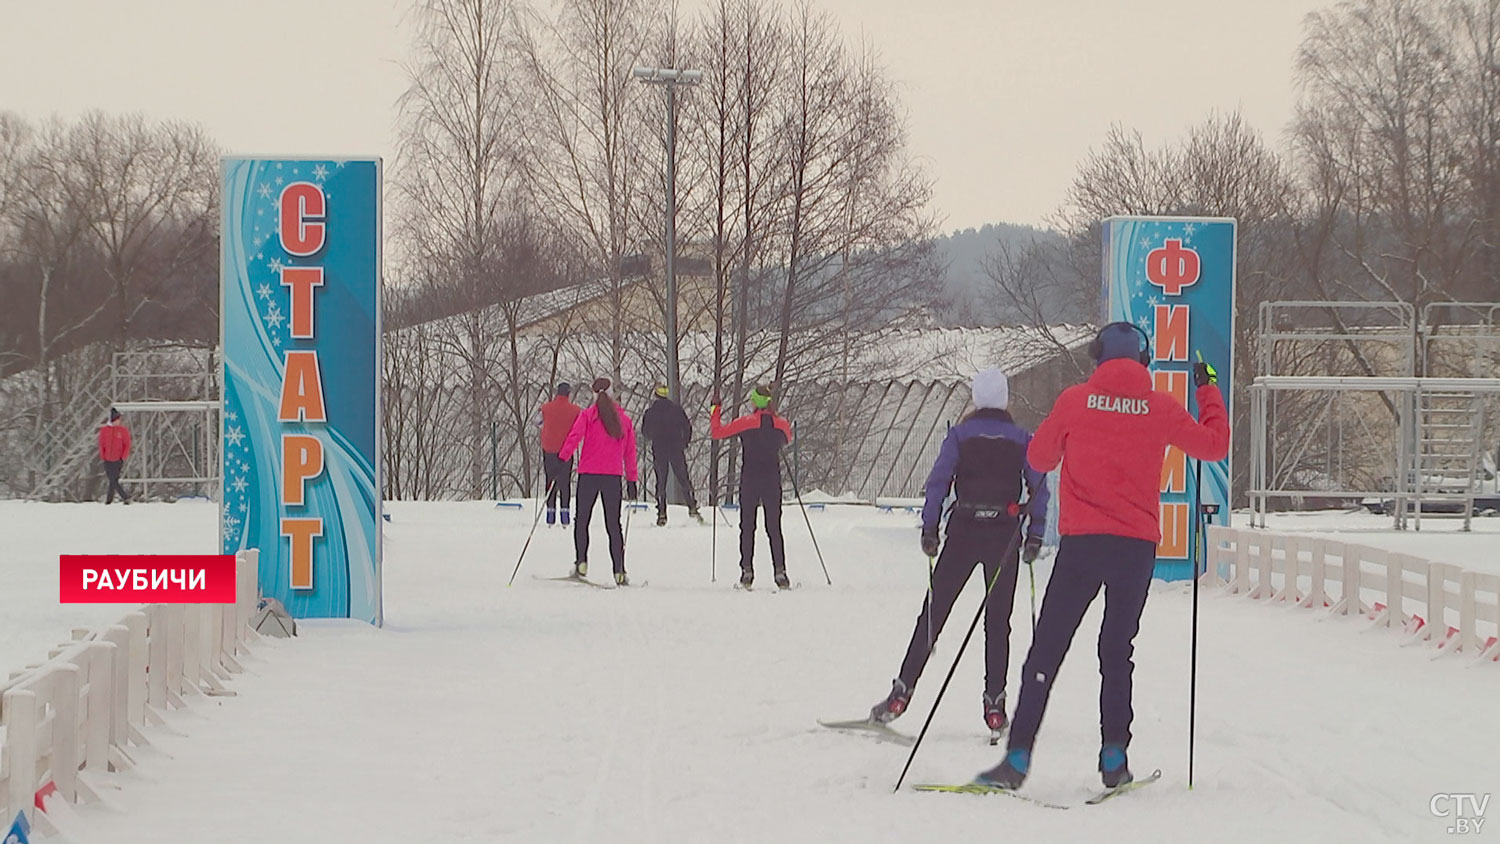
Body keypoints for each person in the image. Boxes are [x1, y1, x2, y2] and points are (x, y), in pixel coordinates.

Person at [976, 322, 1228, 791]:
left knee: (1048, 647)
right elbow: (1215, 445)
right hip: (1134, 548)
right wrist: (1207, 389)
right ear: (1143, 360)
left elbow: (1039, 459)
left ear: (1098, 359)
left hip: (1082, 545)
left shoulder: (1075, 400)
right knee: (1116, 651)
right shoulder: (1159, 406)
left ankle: (1016, 758)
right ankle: (1114, 756)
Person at [867, 368, 1050, 739]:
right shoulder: (1022, 439)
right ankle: (995, 706)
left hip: (964, 532)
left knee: (934, 613)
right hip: (1004, 536)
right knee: (998, 622)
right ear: (1004, 400)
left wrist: (930, 528)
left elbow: (938, 481)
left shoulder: (959, 436)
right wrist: (1035, 536)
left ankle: (902, 692)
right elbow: (1039, 488)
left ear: (976, 399)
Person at [558, 377, 640, 585]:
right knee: (613, 524)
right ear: (613, 393)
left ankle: (582, 562)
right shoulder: (624, 421)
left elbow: (574, 437)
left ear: (594, 394)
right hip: (613, 476)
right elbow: (630, 453)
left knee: (582, 519)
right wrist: (632, 479)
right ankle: (619, 570)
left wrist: (563, 458)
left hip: (589, 474)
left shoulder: (587, 416)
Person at [710, 384, 793, 589]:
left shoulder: (746, 423)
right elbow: (787, 439)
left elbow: (717, 432)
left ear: (755, 402)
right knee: (774, 527)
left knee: (747, 526)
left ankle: (747, 571)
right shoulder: (781, 424)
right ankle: (780, 572)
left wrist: (715, 409)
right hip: (772, 479)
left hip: (750, 479)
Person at [640, 383, 702, 526]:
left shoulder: (650, 412)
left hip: (659, 449)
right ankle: (692, 506)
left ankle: (662, 512)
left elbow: (645, 432)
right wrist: (684, 442)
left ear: (655, 395)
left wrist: (653, 436)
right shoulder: (676, 410)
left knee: (661, 482)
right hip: (676, 448)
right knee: (683, 479)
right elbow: (687, 427)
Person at [537, 382, 582, 525]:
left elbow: (537, 422)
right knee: (565, 482)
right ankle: (565, 514)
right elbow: (580, 426)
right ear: (568, 394)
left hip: (549, 448)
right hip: (566, 450)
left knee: (550, 481)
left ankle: (550, 514)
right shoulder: (575, 410)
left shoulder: (545, 408)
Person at [98, 408, 132, 505]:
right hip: (107, 459)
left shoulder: (123, 431)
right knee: (112, 479)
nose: (119, 421)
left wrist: (123, 456)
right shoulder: (104, 430)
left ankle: (124, 497)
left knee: (113, 479)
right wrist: (103, 456)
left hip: (118, 459)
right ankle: (110, 499)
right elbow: (101, 444)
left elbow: (127, 444)